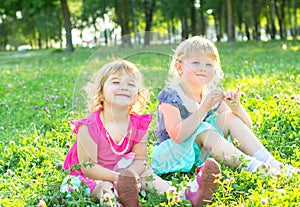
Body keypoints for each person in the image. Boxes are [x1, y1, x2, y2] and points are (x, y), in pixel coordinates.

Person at [60, 59, 221, 207]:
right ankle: (114, 201)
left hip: (123, 171)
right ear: (101, 93)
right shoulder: (88, 126)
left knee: (147, 174)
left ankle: (185, 194)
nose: (124, 87)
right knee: (102, 186)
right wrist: (118, 179)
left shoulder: (138, 124)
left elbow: (139, 160)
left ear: (137, 95)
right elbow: (89, 167)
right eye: (116, 82)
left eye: (131, 84)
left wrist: (130, 177)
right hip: (88, 175)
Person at [151, 36, 296, 177]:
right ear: (179, 67)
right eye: (195, 62)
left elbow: (245, 129)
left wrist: (236, 108)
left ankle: (273, 163)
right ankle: (255, 167)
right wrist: (203, 109)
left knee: (228, 117)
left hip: (198, 153)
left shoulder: (208, 95)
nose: (202, 68)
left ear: (214, 71)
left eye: (208, 64)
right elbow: (178, 136)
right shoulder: (171, 96)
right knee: (203, 128)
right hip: (173, 155)